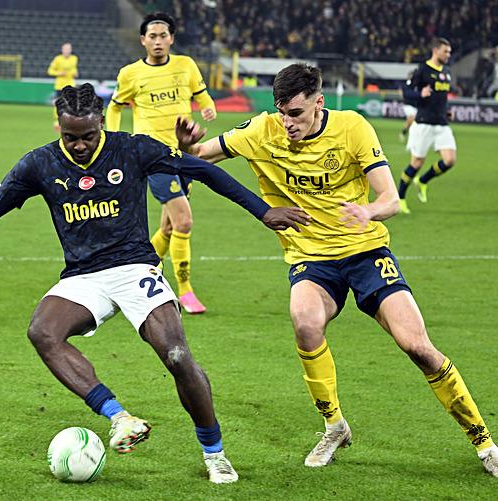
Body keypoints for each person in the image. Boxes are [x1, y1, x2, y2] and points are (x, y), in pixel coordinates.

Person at [0, 84, 310, 483]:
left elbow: (202, 170)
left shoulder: (132, 149)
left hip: (135, 269)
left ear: (101, 122)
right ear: (58, 125)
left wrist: (263, 211)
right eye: (70, 137)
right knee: (42, 332)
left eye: (87, 136)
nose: (80, 146)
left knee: (177, 355)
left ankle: (214, 453)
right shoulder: (40, 163)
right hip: (83, 275)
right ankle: (118, 416)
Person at [176, 63, 498, 476]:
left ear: (319, 102)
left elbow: (390, 199)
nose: (287, 123)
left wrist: (368, 211)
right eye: (282, 112)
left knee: (417, 346)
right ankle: (334, 426)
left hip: (365, 251)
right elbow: (200, 156)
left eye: (296, 113)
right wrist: (187, 144)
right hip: (311, 258)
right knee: (305, 322)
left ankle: (484, 441)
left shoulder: (352, 127)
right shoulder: (261, 130)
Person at [106, 12, 216, 314]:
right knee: (184, 221)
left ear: (171, 39)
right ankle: (185, 290)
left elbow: (202, 95)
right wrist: (114, 138)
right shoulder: (130, 74)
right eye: (152, 36)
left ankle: (138, 276)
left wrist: (208, 108)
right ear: (143, 40)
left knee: (168, 228)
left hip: (184, 153)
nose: (158, 41)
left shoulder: (186, 65)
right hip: (152, 156)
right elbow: (114, 107)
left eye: (163, 35)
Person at [397, 38, 456, 214]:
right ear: (436, 51)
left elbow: (441, 97)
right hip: (423, 124)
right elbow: (406, 92)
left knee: (450, 160)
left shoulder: (446, 71)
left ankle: (423, 181)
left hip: (442, 123)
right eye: (446, 51)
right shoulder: (422, 70)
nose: (448, 55)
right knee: (416, 163)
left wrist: (446, 111)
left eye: (449, 52)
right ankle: (400, 198)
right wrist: (419, 94)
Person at [47, 42, 79, 132]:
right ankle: (57, 122)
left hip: (70, 85)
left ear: (71, 50)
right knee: (58, 103)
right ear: (62, 50)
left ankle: (69, 122)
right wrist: (59, 73)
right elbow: (50, 71)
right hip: (60, 85)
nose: (67, 51)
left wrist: (75, 73)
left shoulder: (74, 58)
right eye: (65, 49)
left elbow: (74, 69)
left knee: (71, 104)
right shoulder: (57, 59)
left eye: (68, 49)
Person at [398, 69, 418, 142]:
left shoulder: (418, 84)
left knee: (412, 121)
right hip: (408, 105)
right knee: (412, 117)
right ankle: (412, 136)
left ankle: (404, 132)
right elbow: (404, 93)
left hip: (416, 106)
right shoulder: (407, 84)